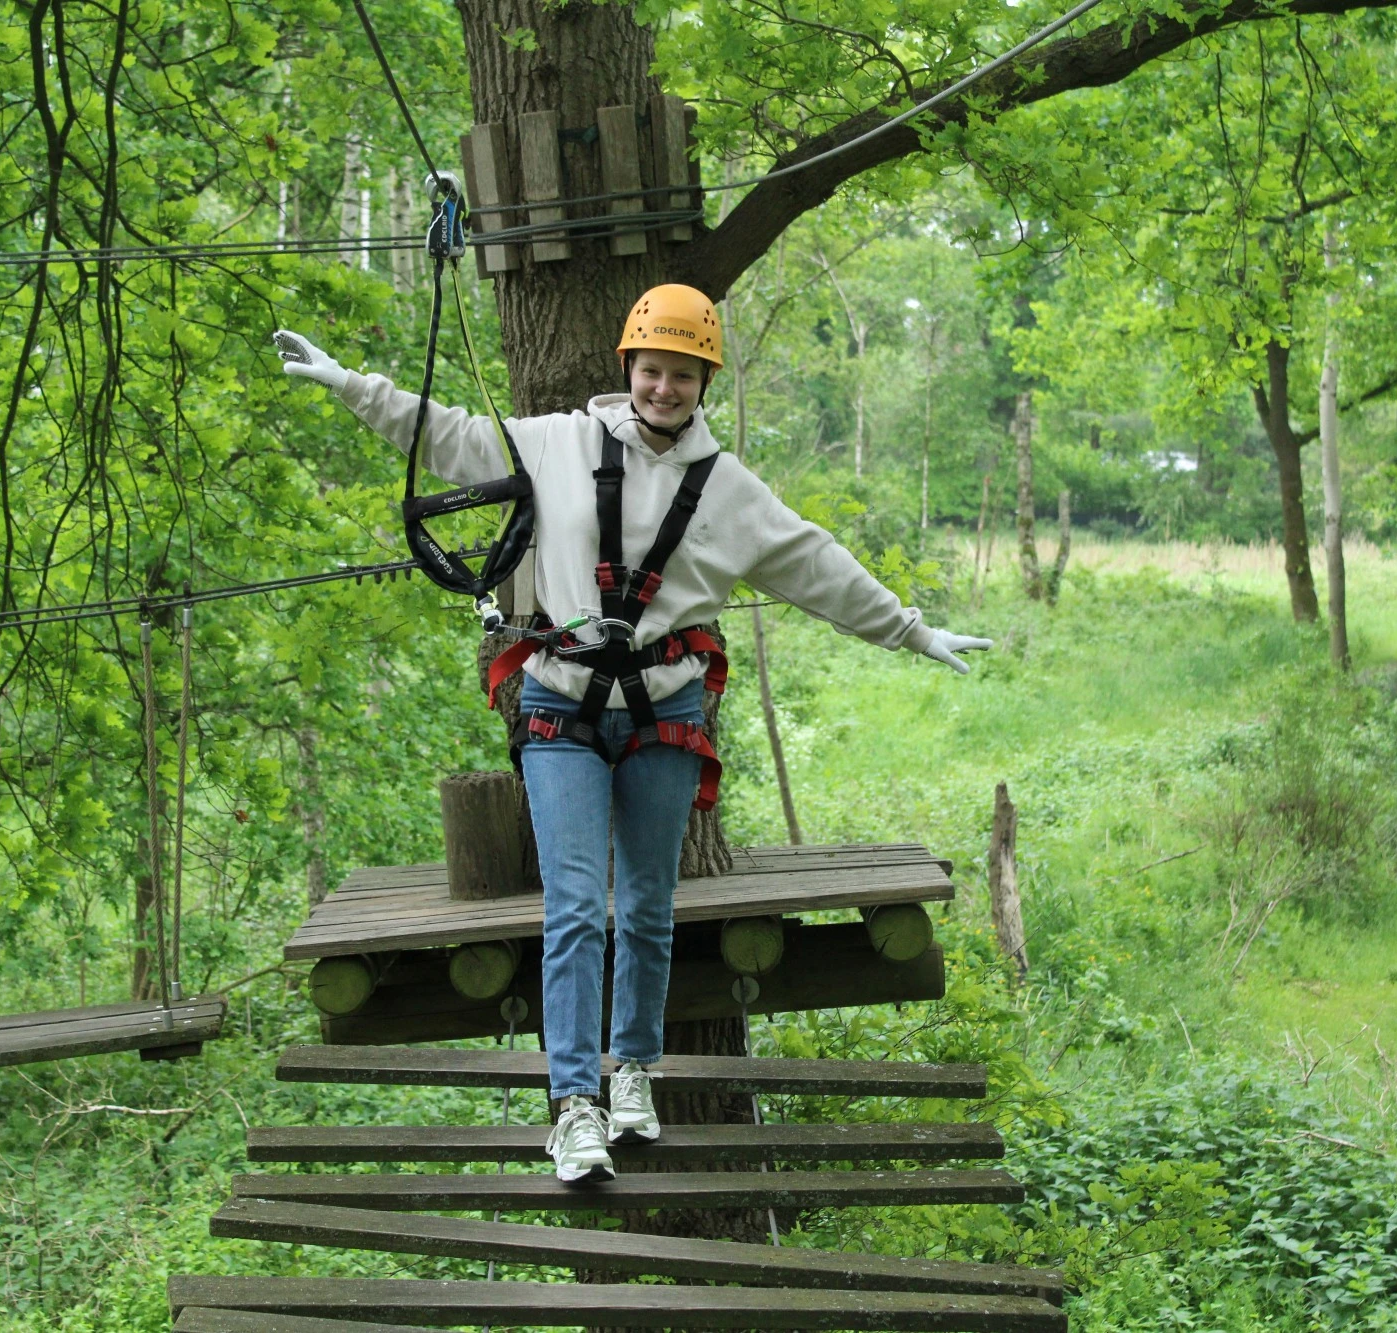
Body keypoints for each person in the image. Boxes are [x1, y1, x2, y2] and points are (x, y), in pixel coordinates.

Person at [272, 284, 990, 1184]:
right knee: (575, 906)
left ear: (703, 382)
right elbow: (449, 433)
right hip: (561, 701)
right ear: (629, 369)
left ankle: (634, 1074)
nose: (663, 389)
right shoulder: (557, 443)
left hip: (664, 709)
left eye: (682, 375)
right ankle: (575, 1106)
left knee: (648, 905)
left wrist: (911, 630)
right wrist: (349, 383)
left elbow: (815, 562)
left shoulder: (728, 491)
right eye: (652, 370)